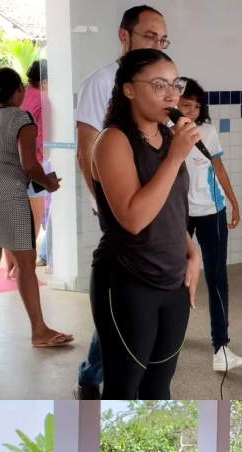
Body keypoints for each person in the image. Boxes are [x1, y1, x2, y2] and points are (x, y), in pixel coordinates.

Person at [89, 48, 201, 399]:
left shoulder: (168, 139)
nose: (172, 96)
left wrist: (192, 251)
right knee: (123, 389)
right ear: (129, 90)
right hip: (128, 279)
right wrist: (175, 157)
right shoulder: (113, 140)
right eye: (158, 85)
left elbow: (169, 208)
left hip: (173, 279)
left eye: (176, 85)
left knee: (159, 387)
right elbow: (134, 218)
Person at [74, 4, 170, 399]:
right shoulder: (101, 83)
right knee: (122, 306)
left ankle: (105, 372)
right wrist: (108, 206)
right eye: (149, 36)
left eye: (162, 40)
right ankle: (92, 375)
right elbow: (86, 152)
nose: (156, 45)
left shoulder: (159, 85)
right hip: (123, 211)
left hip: (154, 211)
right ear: (124, 36)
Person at [0, 67, 72, 348]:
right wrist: (49, 183)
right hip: (7, 189)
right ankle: (39, 330)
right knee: (26, 262)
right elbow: (29, 165)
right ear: (18, 91)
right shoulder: (22, 118)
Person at [177, 77, 242, 372]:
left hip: (211, 211)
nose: (191, 111)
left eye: (196, 106)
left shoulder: (207, 131)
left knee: (217, 277)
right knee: (175, 275)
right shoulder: (164, 132)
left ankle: (221, 347)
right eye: (185, 105)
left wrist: (234, 201)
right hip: (178, 214)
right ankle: (171, 334)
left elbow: (219, 167)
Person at [5, 59, 51, 277]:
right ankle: (21, 267)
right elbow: (41, 139)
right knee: (34, 217)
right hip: (32, 165)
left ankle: (11, 264)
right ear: (45, 81)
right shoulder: (43, 100)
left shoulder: (18, 96)